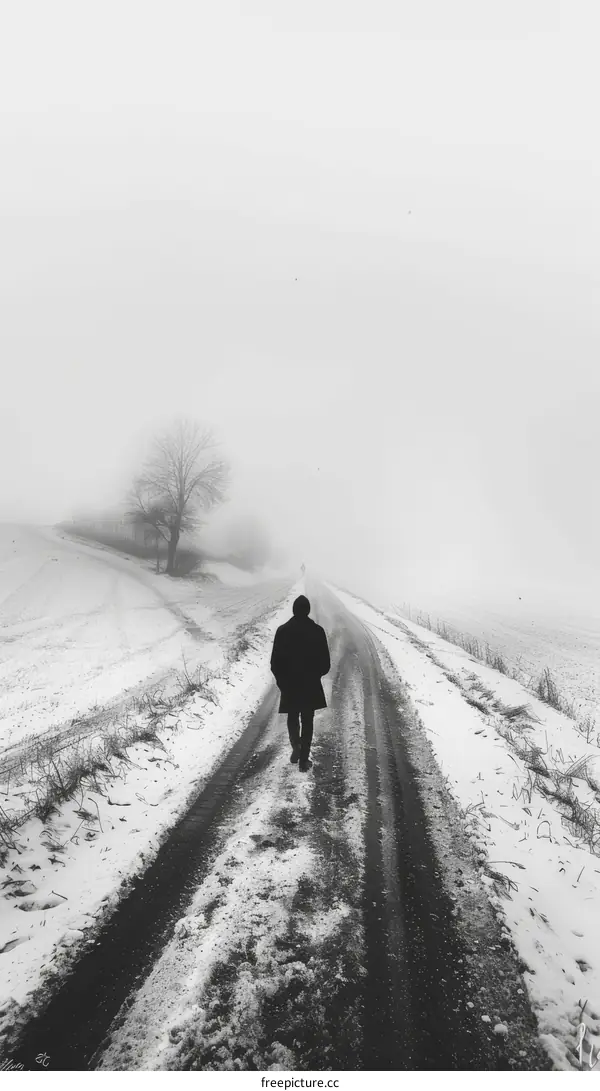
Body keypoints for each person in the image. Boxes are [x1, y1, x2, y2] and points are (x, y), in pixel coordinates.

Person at [270, 595, 331, 772]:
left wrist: (282, 681)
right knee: (307, 719)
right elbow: (326, 664)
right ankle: (304, 760)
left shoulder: (282, 631)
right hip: (310, 683)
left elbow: (275, 663)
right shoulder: (317, 631)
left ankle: (295, 746)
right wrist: (315, 675)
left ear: (294, 610)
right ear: (308, 610)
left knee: (292, 715)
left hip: (290, 683)